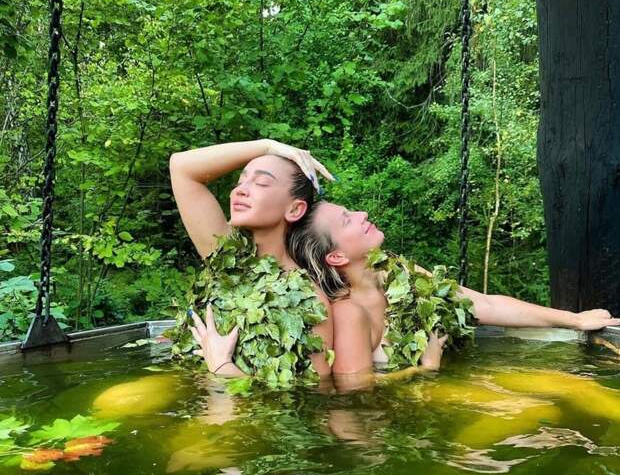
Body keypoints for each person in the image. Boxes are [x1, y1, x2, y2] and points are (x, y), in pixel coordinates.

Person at [285, 201, 620, 375]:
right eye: (347, 219)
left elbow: (484, 304)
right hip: (402, 424)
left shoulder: (397, 273)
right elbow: (355, 397)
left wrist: (574, 320)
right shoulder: (348, 312)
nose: (362, 214)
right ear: (337, 256)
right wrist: (428, 365)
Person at [169, 139, 335, 376]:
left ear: (295, 209)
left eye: (261, 183)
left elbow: (312, 390)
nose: (240, 190)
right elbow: (181, 166)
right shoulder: (227, 259)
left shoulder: (309, 300)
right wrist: (266, 146)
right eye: (240, 181)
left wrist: (221, 366)